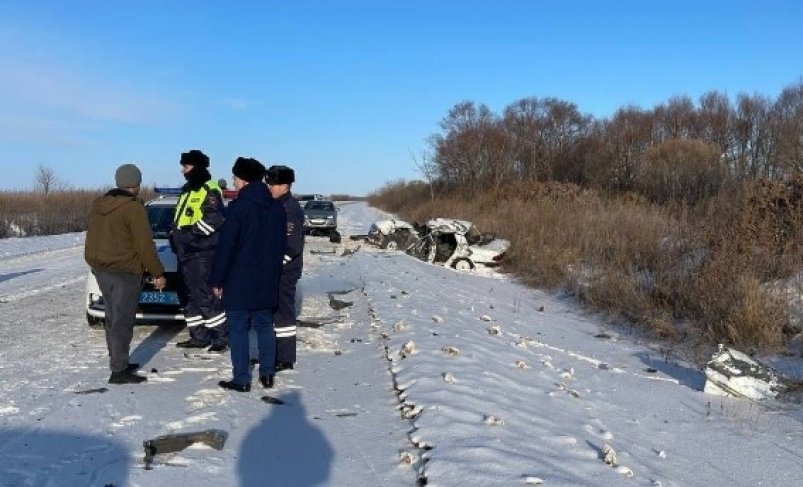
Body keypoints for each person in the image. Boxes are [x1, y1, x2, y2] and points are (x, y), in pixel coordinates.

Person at [85, 164, 166, 384]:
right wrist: (157, 272)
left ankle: (118, 361)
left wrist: (94, 264)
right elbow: (145, 246)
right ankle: (118, 371)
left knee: (113, 319)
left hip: (103, 271)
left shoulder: (99, 205)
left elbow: (92, 238)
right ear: (136, 184)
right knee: (122, 322)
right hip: (124, 272)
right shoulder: (132, 208)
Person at [210, 157, 286, 392]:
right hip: (267, 279)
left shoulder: (239, 208)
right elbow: (280, 245)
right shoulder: (277, 208)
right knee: (265, 326)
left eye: (234, 177)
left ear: (242, 179)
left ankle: (242, 379)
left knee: (238, 329)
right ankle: (267, 374)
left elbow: (226, 247)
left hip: (239, 280)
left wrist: (217, 279)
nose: (233, 182)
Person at [171, 149, 228, 352]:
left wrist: (188, 235)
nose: (182, 171)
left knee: (205, 297)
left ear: (196, 167)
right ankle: (198, 336)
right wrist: (175, 236)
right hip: (185, 253)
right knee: (188, 297)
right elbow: (181, 218)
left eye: (185, 167)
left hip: (202, 254)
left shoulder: (209, 189)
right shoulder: (187, 189)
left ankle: (221, 338)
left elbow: (214, 219)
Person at [265, 165, 305, 371]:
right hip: (274, 269)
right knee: (274, 312)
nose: (269, 187)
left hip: (285, 270)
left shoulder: (290, 208)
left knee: (283, 313)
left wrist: (274, 264)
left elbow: (292, 246)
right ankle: (275, 353)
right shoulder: (275, 204)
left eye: (272, 184)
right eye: (268, 183)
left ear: (284, 185)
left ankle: (286, 357)